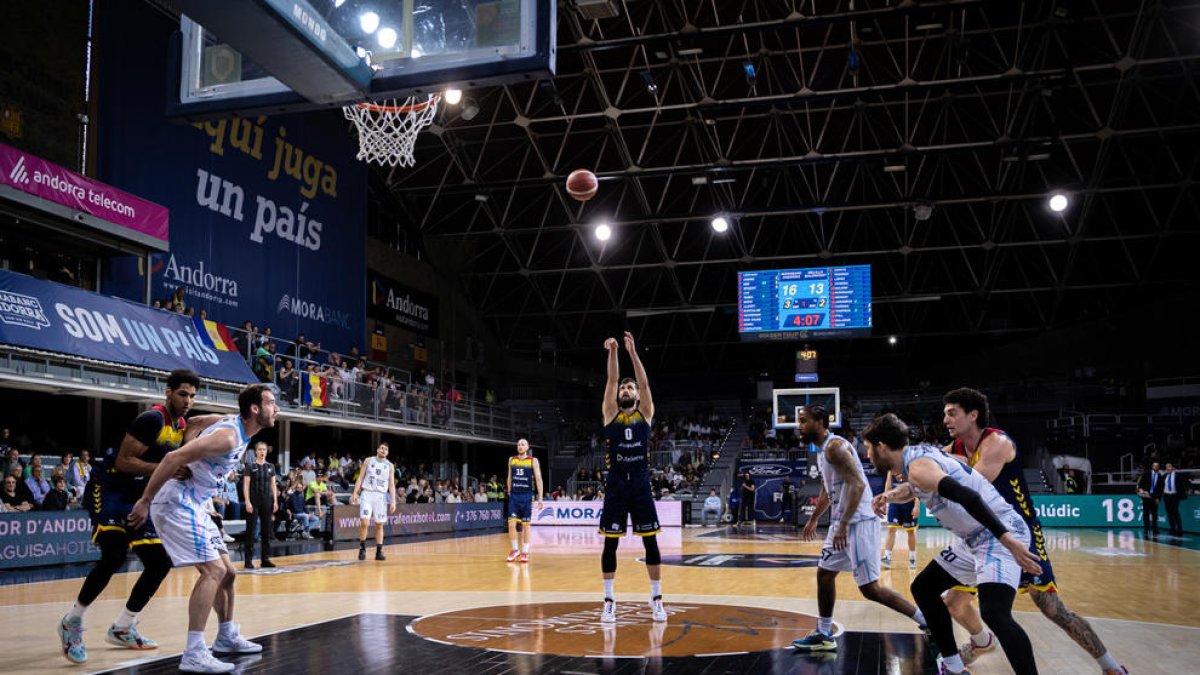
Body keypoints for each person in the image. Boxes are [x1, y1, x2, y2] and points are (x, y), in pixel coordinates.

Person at [939, 388, 1127, 675]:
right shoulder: (954, 449)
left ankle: (1112, 667)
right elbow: (931, 469)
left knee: (1052, 608)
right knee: (955, 601)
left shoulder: (997, 442)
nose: (945, 420)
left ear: (973, 415)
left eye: (952, 413)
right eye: (945, 414)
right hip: (983, 537)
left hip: (1019, 533)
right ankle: (982, 641)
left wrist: (947, 468)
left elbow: (972, 486)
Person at [864, 412, 1043, 675]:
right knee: (924, 588)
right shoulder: (916, 460)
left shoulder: (918, 468)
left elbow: (968, 497)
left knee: (995, 613)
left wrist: (1007, 539)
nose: (868, 455)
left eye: (869, 449)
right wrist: (889, 496)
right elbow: (914, 488)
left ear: (881, 447)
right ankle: (954, 667)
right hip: (974, 537)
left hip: (997, 531)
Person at [59, 369, 213, 665]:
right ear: (168, 392)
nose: (188, 401)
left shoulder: (181, 425)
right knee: (114, 555)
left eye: (193, 396)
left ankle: (123, 626)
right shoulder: (152, 419)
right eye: (183, 394)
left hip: (138, 495)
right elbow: (124, 461)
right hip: (109, 487)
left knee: (159, 562)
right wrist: (166, 468)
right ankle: (72, 621)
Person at [128, 383, 278, 674]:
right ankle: (194, 652)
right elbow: (172, 458)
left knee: (229, 573)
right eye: (271, 403)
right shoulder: (227, 436)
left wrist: (192, 451)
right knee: (214, 571)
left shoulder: (235, 425)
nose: (277, 409)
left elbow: (194, 422)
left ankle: (226, 636)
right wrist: (145, 501)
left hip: (196, 503)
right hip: (176, 502)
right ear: (255, 409)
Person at [792, 404, 927, 653]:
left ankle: (927, 621)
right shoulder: (823, 451)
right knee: (824, 574)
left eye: (803, 420)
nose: (798, 426)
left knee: (870, 589)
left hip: (858, 522)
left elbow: (858, 484)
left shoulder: (835, 447)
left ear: (820, 422)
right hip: (842, 522)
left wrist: (843, 524)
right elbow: (828, 490)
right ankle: (823, 633)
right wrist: (814, 519)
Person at [597, 332, 666, 624]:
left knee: (650, 542)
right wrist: (613, 351)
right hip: (615, 485)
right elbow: (611, 380)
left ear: (637, 395)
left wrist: (633, 352)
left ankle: (657, 599)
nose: (625, 389)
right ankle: (609, 601)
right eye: (624, 387)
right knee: (610, 544)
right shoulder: (610, 413)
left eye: (630, 387)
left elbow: (645, 383)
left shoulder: (645, 414)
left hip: (640, 484)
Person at [351, 442, 397, 561]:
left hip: (381, 496)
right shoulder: (368, 460)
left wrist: (393, 501)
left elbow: (391, 484)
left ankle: (379, 551)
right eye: (381, 448)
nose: (383, 450)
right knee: (365, 522)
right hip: (367, 493)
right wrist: (355, 492)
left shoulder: (390, 466)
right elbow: (361, 477)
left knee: (379, 525)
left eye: (386, 449)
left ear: (387, 453)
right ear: (377, 450)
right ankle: (362, 548)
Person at [505, 438, 543, 563]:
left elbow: (538, 479)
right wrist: (509, 490)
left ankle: (525, 552)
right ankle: (515, 550)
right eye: (518, 444)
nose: (520, 446)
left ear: (527, 447)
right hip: (514, 496)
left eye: (523, 444)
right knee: (511, 524)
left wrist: (540, 498)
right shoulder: (512, 459)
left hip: (527, 496)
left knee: (526, 526)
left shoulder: (533, 460)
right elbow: (509, 476)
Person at [241, 442, 278, 569]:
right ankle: (248, 560)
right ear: (256, 451)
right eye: (260, 449)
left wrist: (275, 501)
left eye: (264, 449)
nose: (262, 451)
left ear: (267, 451)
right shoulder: (250, 466)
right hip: (253, 500)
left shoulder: (271, 466)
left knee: (266, 531)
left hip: (267, 500)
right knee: (251, 531)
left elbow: (273, 485)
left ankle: (265, 559)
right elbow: (246, 486)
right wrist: (247, 501)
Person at [881, 470, 919, 570]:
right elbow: (888, 487)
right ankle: (887, 557)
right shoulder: (890, 470)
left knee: (910, 531)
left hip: (909, 503)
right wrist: (884, 502)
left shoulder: (909, 467)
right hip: (895, 503)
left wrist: (917, 505)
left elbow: (917, 488)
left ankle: (912, 558)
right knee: (891, 529)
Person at [1162, 463, 1189, 537]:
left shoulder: (1178, 475)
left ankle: (1180, 529)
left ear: (1173, 467)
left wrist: (1177, 471)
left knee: (1175, 512)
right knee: (1169, 513)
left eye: (1169, 467)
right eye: (1166, 467)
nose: (1167, 468)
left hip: (1175, 495)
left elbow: (1186, 478)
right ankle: (1172, 529)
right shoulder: (1165, 476)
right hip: (1166, 496)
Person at [1137, 461, 1163, 535]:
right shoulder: (1146, 474)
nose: (1156, 467)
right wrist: (1141, 489)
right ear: (1152, 466)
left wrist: (1158, 498)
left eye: (1157, 466)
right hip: (1146, 496)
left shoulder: (1160, 477)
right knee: (1146, 514)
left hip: (1154, 497)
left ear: (1158, 467)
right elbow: (1141, 483)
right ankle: (1146, 529)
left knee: (1154, 514)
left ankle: (1155, 529)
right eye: (1154, 466)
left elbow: (1161, 489)